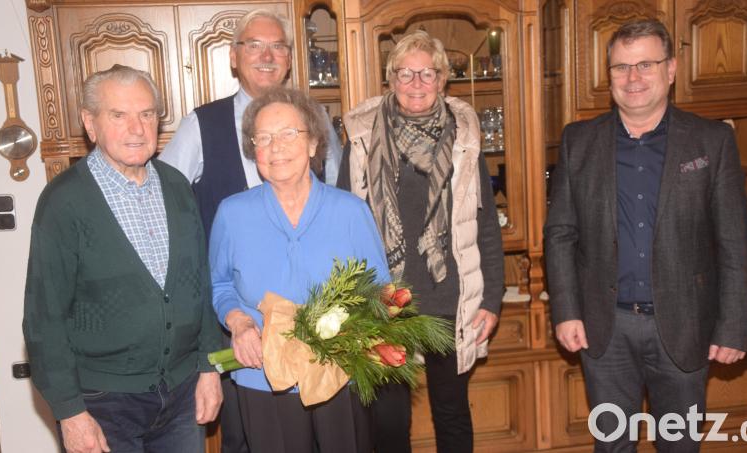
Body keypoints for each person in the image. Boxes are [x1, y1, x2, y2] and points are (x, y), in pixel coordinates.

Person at [544, 19, 747, 452]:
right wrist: (566, 311)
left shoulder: (711, 141)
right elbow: (560, 234)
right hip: (605, 329)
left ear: (671, 69)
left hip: (683, 325)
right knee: (612, 446)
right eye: (621, 67)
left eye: (645, 64)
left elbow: (734, 242)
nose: (633, 78)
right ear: (609, 77)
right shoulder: (577, 141)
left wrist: (734, 327)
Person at [158, 11, 342, 452]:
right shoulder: (199, 125)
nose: (267, 55)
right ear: (234, 57)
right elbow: (162, 204)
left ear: (290, 59)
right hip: (237, 322)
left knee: (323, 432)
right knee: (247, 438)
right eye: (254, 45)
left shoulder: (316, 119)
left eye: (278, 46)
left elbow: (337, 195)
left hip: (319, 322)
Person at [23, 65, 223, 453]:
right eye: (119, 115)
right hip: (103, 403)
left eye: (147, 114)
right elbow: (43, 319)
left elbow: (201, 284)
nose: (137, 128)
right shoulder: (63, 203)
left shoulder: (177, 186)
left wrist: (209, 367)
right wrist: (70, 413)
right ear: (90, 123)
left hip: (183, 395)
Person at [337, 30, 504, 453]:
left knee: (451, 413)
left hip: (451, 299)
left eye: (427, 73)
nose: (416, 83)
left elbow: (484, 225)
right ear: (390, 79)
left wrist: (491, 299)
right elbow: (346, 224)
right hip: (385, 302)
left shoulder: (465, 141)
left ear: (443, 79)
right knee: (389, 421)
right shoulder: (361, 139)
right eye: (406, 73)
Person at [209, 87, 388, 453]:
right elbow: (220, 283)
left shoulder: (351, 212)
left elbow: (381, 292)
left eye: (289, 134)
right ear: (253, 149)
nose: (276, 147)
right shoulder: (232, 213)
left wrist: (352, 331)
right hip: (262, 377)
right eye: (264, 138)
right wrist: (239, 324)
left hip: (340, 374)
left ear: (312, 144)